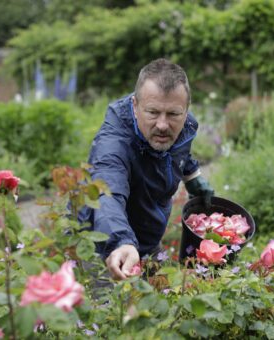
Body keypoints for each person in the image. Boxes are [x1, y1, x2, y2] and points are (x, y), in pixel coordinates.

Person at [77, 59, 214, 280]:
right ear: (135, 105)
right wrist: (121, 241)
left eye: (173, 114)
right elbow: (107, 191)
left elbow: (179, 147)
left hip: (147, 240)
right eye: (153, 112)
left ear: (186, 111)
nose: (162, 124)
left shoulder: (185, 124)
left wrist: (192, 175)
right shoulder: (113, 144)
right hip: (104, 246)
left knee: (166, 304)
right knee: (109, 311)